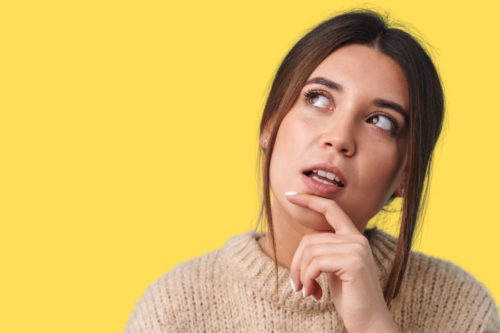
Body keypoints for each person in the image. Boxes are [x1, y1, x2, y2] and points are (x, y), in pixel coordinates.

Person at [125, 9, 499, 333]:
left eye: (381, 121)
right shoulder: (176, 306)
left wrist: (372, 323)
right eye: (318, 98)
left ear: (406, 174)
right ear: (269, 125)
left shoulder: (460, 309)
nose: (339, 138)